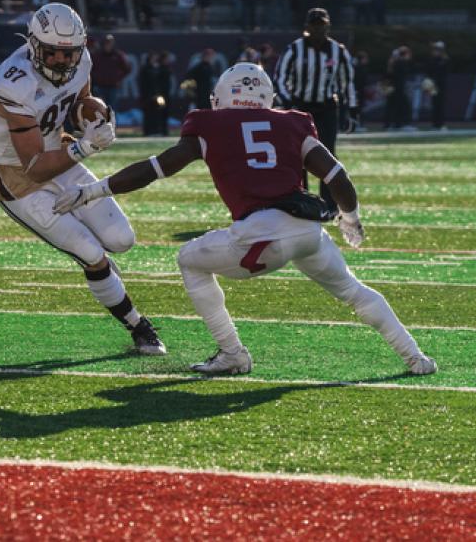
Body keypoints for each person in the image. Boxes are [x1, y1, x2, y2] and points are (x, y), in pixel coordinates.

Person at [53, 63, 437, 376]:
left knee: (189, 260)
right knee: (354, 291)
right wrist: (350, 218)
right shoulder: (293, 122)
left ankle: (232, 352)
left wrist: (91, 191)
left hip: (261, 234)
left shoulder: (209, 124)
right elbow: (337, 176)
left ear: (219, 97)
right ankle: (416, 358)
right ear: (268, 98)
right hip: (307, 231)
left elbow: (156, 168)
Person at [0, 3, 165, 355]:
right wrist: (84, 149)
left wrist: (97, 116)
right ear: (34, 46)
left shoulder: (81, 60)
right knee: (90, 252)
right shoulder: (13, 82)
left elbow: (79, 103)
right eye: (53, 54)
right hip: (15, 174)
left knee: (121, 239)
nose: (63, 63)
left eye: (69, 54)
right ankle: (139, 327)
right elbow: (33, 166)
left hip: (59, 153)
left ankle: (108, 281)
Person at [274, 8, 357, 205]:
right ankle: (301, 200)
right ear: (307, 27)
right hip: (301, 107)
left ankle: (329, 203)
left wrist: (351, 110)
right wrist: (289, 103)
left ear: (328, 26)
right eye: (315, 26)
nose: (319, 30)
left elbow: (347, 82)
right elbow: (280, 78)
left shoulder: (338, 51)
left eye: (322, 26)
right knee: (297, 154)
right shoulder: (294, 49)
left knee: (327, 154)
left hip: (327, 107)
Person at [90, 35, 130, 111]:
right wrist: (96, 77)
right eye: (106, 43)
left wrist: (118, 78)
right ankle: (101, 123)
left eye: (110, 44)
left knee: (112, 109)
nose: (108, 46)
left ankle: (112, 123)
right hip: (100, 87)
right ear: (103, 44)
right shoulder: (97, 55)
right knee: (99, 109)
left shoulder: (118, 55)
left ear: (113, 44)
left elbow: (127, 69)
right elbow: (90, 69)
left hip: (113, 87)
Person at [139, 51, 170, 136]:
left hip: (158, 95)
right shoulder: (145, 69)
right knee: (148, 113)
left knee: (159, 111)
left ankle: (158, 130)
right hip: (148, 95)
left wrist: (158, 93)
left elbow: (159, 82)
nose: (155, 60)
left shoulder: (159, 69)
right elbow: (143, 83)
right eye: (153, 58)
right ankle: (148, 131)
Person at [384, 46, 413, 130]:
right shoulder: (400, 63)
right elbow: (398, 78)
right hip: (398, 88)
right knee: (401, 106)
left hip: (393, 88)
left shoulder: (394, 63)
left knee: (392, 106)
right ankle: (401, 124)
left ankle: (393, 125)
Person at [425, 41, 449, 130]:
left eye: (437, 49)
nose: (434, 51)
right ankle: (435, 124)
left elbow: (442, 72)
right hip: (432, 85)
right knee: (434, 104)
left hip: (441, 85)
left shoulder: (444, 59)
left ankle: (441, 124)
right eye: (434, 49)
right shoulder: (431, 59)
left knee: (440, 104)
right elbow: (428, 72)